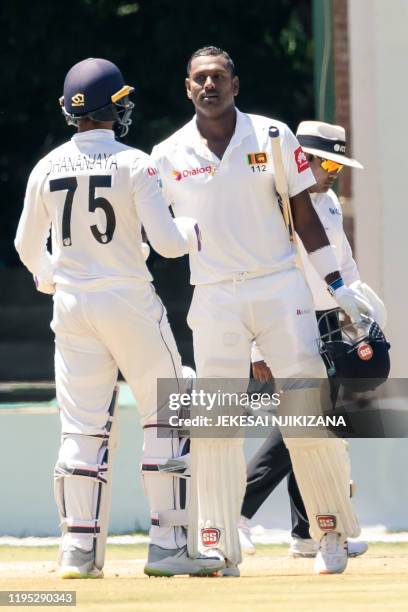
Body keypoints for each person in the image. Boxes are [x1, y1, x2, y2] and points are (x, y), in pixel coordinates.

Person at [151, 47, 374, 575]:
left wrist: (338, 283)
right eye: (200, 79)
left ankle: (329, 533)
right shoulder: (165, 153)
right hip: (214, 293)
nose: (210, 85)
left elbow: (304, 215)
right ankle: (219, 544)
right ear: (188, 88)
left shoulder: (273, 136)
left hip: (280, 287)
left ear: (235, 83)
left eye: (219, 77)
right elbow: (157, 233)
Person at [14, 58, 224, 579]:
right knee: (169, 411)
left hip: (72, 308)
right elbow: (170, 245)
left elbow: (24, 245)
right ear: (113, 108)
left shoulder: (46, 167)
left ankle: (77, 553)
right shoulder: (136, 164)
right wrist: (193, 227)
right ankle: (170, 545)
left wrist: (47, 277)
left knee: (82, 429)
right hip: (128, 301)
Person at [239, 120, 386, 559]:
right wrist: (256, 347)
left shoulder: (330, 202)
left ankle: (307, 531)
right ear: (301, 157)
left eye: (339, 165)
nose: (334, 172)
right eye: (328, 163)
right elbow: (257, 276)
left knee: (317, 427)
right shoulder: (278, 204)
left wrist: (360, 314)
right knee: (302, 427)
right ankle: (239, 510)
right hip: (289, 323)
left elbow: (346, 264)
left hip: (331, 326)